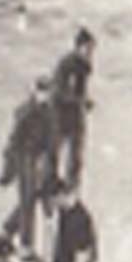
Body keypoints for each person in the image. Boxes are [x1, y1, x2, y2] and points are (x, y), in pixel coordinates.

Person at [0, 76, 58, 262]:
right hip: (25, 158)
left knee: (35, 196)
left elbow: (52, 141)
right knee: (27, 200)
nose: (45, 96)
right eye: (42, 92)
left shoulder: (48, 112)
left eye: (47, 92)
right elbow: (13, 142)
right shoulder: (25, 112)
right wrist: (7, 171)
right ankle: (26, 245)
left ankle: (9, 227)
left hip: (40, 160)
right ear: (36, 92)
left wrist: (51, 167)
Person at [51, 27, 96, 188]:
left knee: (76, 149)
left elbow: (80, 89)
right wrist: (80, 101)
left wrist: (83, 101)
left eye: (92, 49)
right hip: (60, 111)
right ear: (78, 47)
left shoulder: (84, 66)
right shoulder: (67, 64)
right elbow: (60, 90)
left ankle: (73, 183)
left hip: (75, 112)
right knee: (57, 146)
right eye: (88, 48)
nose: (90, 52)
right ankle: (50, 180)